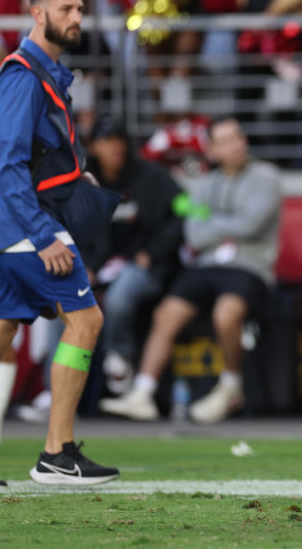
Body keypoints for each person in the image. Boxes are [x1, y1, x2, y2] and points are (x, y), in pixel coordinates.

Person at [0, 0, 119, 485]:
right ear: (37, 14)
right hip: (25, 225)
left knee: (1, 329)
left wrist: (76, 172)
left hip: (10, 224)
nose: (77, 18)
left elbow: (37, 155)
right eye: (66, 8)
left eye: (81, 8)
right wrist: (43, 236)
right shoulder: (23, 74)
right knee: (86, 321)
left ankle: (57, 450)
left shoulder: (44, 73)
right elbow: (6, 163)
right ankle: (56, 452)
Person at [99, 117, 282, 424]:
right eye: (225, 141)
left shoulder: (267, 177)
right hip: (206, 266)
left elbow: (252, 224)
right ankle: (143, 393)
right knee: (166, 314)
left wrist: (214, 223)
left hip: (249, 266)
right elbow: (194, 232)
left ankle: (230, 386)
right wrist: (226, 227)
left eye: (237, 137)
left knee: (227, 314)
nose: (235, 145)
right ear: (211, 150)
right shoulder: (203, 184)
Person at [84, 116, 184, 395]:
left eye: (119, 141)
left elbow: (181, 214)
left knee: (121, 294)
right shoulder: (85, 181)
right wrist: (88, 265)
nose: (114, 148)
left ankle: (120, 355)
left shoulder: (152, 176)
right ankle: (56, 389)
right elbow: (76, 229)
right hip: (101, 266)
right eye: (106, 141)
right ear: (93, 146)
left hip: (147, 267)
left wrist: (153, 253)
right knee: (64, 302)